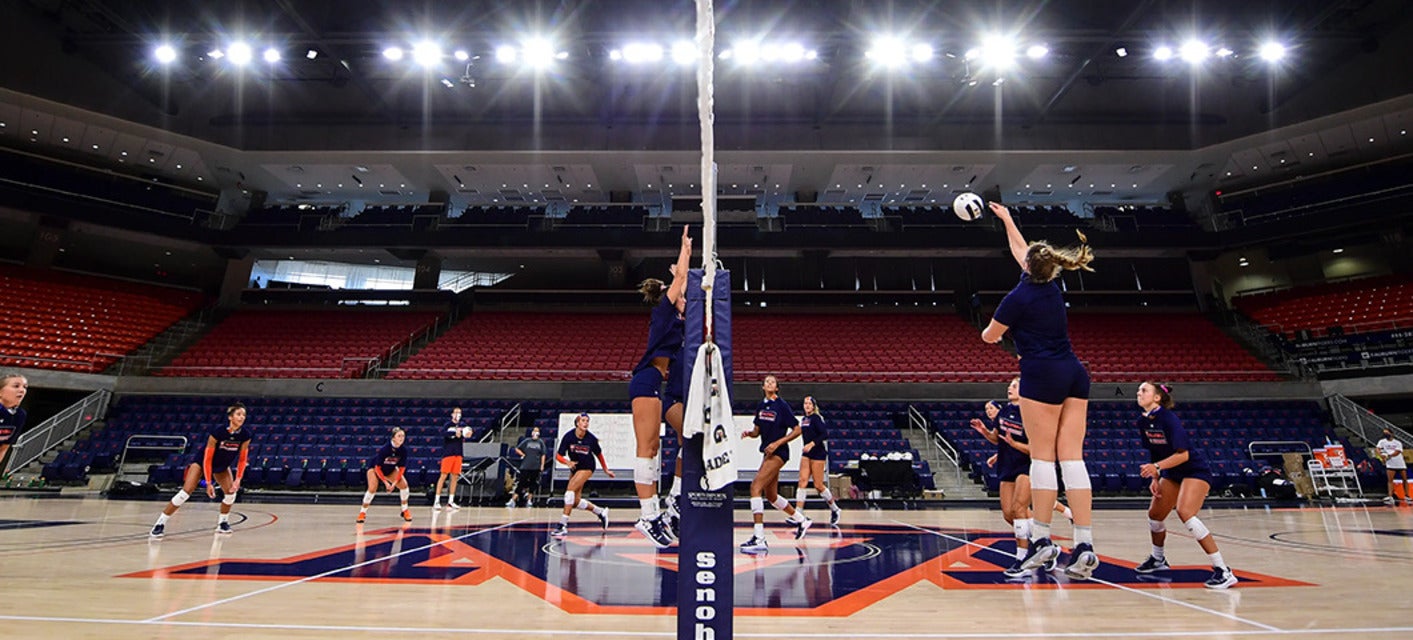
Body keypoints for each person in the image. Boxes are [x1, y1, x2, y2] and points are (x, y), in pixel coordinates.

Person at [980, 201, 1099, 580]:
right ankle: (1084, 545)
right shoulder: (1051, 282)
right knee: (1073, 460)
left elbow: (989, 337)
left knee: (1043, 459)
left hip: (1041, 374)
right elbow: (1022, 250)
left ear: (1027, 268)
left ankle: (1043, 541)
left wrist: (999, 330)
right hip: (1074, 373)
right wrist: (1007, 220)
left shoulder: (1018, 297)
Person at [1130, 382, 1237, 589]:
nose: (1139, 393)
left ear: (1157, 397)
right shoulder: (1142, 422)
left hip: (1194, 470)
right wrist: (1155, 478)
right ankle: (1158, 559)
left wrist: (1157, 467)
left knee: (1185, 511)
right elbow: (1155, 452)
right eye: (1138, 390)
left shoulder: (1169, 419)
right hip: (1171, 473)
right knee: (1155, 515)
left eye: (1144, 390)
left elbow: (1183, 454)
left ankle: (1223, 570)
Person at [627, 225, 691, 548]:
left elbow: (688, 297)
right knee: (647, 447)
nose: (682, 298)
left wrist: (683, 279)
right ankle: (648, 515)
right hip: (646, 378)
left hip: (655, 382)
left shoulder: (679, 322)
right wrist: (685, 252)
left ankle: (667, 505)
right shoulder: (663, 312)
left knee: (655, 448)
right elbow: (680, 282)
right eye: (678, 296)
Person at [970, 378, 1070, 577]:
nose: (1010, 388)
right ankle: (1047, 546)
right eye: (1009, 386)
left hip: (1027, 466)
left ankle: (1022, 559)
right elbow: (997, 437)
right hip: (1007, 466)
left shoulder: (1031, 414)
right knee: (1009, 514)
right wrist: (985, 432)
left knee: (1019, 509)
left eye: (1014, 386)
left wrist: (1015, 445)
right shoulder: (1004, 411)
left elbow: (1037, 448)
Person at [150, 402, 253, 538]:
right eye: (238, 414)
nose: (242, 417)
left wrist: (238, 479)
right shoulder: (217, 433)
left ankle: (223, 523)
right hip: (201, 463)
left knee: (230, 494)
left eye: (244, 415)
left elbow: (242, 459)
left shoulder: (245, 435)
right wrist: (209, 483)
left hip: (222, 466)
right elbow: (207, 459)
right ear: (230, 417)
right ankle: (160, 523)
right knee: (185, 493)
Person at [739, 375, 811, 553]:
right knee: (771, 495)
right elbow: (757, 431)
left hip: (779, 452)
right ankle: (801, 520)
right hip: (767, 452)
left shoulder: (782, 406)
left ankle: (759, 538)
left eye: (773, 382)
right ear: (763, 386)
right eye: (767, 381)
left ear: (777, 388)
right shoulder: (761, 406)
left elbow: (798, 429)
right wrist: (750, 433)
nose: (770, 383)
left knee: (755, 487)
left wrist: (778, 443)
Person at [552, 413, 614, 538]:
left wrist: (606, 469)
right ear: (577, 423)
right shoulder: (569, 436)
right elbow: (558, 456)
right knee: (574, 501)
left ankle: (562, 525)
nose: (586, 423)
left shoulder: (591, 438)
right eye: (583, 421)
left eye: (587, 421)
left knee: (569, 492)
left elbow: (599, 455)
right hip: (575, 467)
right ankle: (600, 511)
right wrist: (567, 462)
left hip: (588, 467)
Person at [793, 396, 842, 526]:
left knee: (818, 485)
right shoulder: (804, 419)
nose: (807, 405)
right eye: (805, 403)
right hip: (806, 454)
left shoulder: (816, 419)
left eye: (809, 403)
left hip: (818, 453)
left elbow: (824, 434)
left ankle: (835, 509)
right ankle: (798, 513)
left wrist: (812, 444)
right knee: (802, 481)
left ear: (814, 406)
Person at [358, 427, 411, 523]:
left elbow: (402, 468)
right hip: (375, 469)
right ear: (393, 438)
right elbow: (377, 468)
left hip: (390, 469)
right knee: (372, 488)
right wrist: (386, 483)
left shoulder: (403, 450)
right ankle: (362, 512)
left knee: (404, 486)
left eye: (403, 436)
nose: (401, 438)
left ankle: (405, 510)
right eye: (399, 436)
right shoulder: (385, 449)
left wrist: (394, 483)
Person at [433, 407, 472, 512]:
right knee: (443, 476)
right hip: (448, 453)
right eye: (456, 412)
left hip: (458, 454)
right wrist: (455, 433)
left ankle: (451, 500)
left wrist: (468, 433)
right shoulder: (448, 425)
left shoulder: (463, 425)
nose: (457, 414)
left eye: (459, 413)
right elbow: (444, 433)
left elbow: (469, 432)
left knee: (455, 477)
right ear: (452, 414)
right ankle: (437, 500)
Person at [509, 426, 549, 507]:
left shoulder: (540, 442)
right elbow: (517, 449)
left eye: (536, 431)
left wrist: (542, 465)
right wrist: (523, 454)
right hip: (525, 465)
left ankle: (529, 500)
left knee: (533, 483)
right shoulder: (527, 441)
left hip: (535, 466)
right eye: (534, 431)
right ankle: (513, 500)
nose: (535, 433)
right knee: (521, 482)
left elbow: (543, 454)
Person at [0, 373, 29, 471]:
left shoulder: (20, 415)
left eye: (25, 387)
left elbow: (4, 447)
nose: (22, 390)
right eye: (16, 386)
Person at [1375, 428, 1410, 506]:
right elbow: (1378, 449)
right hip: (1390, 463)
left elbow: (1397, 452)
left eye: (1387, 433)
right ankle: (1390, 496)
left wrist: (1388, 455)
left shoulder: (1397, 443)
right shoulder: (1382, 441)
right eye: (1384, 433)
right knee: (1390, 480)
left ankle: (1407, 495)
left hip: (1399, 462)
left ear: (1391, 433)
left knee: (1404, 479)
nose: (1385, 434)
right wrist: (1381, 456)